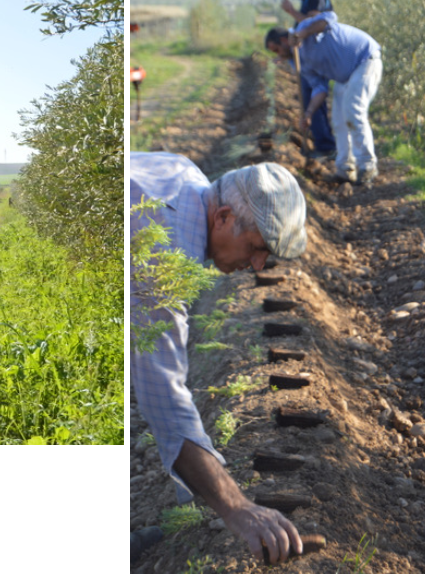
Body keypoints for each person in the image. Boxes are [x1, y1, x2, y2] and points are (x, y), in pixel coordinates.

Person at [129, 152, 309, 565]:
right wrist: (237, 507)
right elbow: (162, 396)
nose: (258, 264)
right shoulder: (165, 252)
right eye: (257, 248)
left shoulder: (186, 175)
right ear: (224, 217)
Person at [266, 18, 382, 185]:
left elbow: (328, 20)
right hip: (344, 77)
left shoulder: (303, 29)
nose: (278, 55)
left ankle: (367, 166)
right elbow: (319, 87)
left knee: (353, 111)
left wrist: (301, 34)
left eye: (277, 49)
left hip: (365, 60)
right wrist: (308, 113)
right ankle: (345, 169)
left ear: (284, 40)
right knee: (339, 121)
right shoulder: (296, 61)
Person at [280, 0, 337, 159]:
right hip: (309, 55)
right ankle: (322, 143)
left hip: (315, 56)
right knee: (309, 100)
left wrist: (291, 11)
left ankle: (325, 147)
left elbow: (313, 22)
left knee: (314, 100)